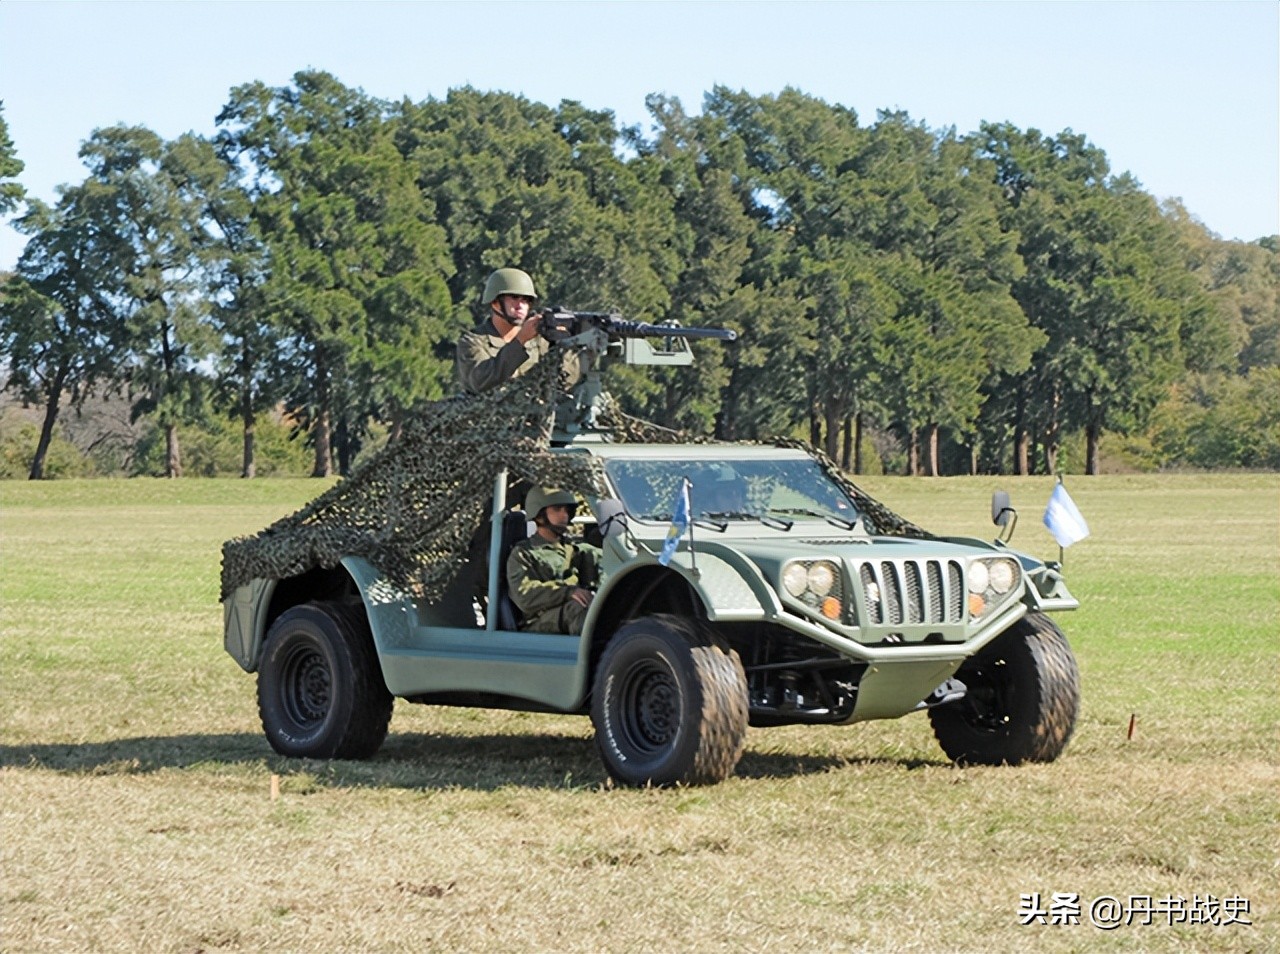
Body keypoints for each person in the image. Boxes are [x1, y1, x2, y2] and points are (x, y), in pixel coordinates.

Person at [506, 487, 602, 635]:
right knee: (579, 609)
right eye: (557, 509)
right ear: (539, 515)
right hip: (539, 621)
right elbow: (525, 596)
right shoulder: (524, 553)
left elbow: (608, 563)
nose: (564, 515)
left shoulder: (576, 550)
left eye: (567, 510)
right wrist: (568, 592)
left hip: (569, 612)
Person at [455, 267, 549, 395]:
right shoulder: (472, 343)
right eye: (514, 298)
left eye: (526, 300)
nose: (520, 306)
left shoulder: (539, 341)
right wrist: (520, 340)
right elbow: (481, 382)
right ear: (495, 302)